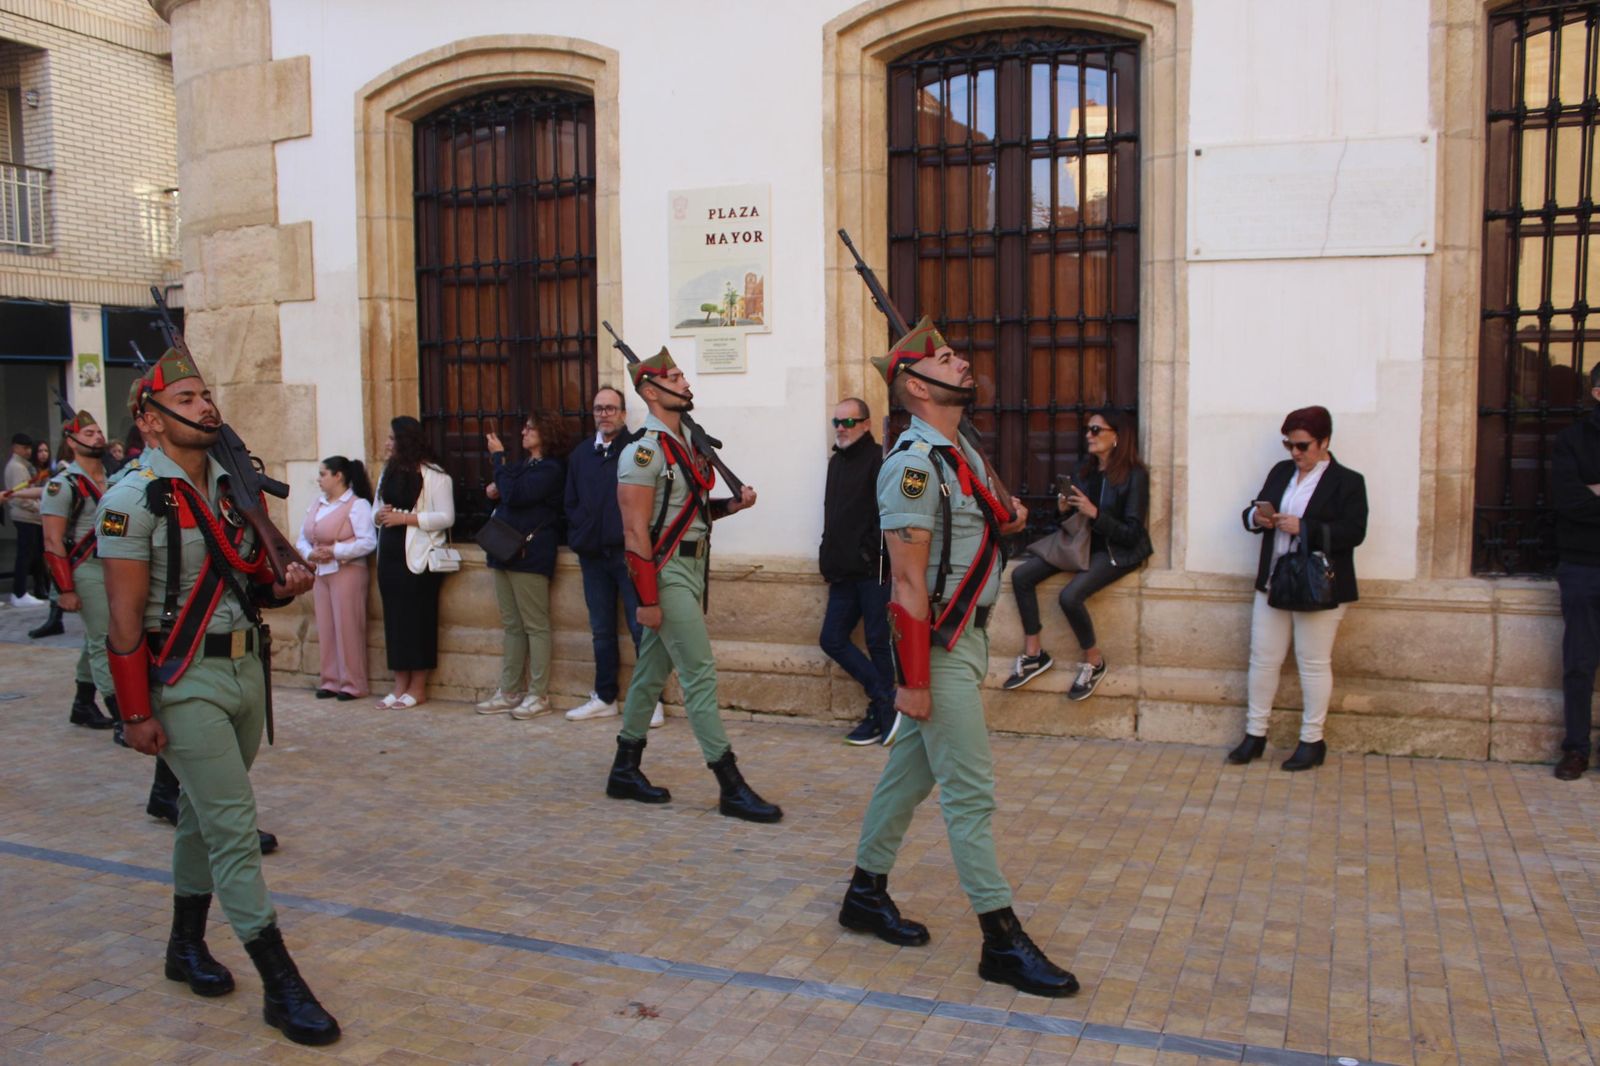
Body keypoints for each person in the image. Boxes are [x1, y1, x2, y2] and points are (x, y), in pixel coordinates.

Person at [98, 347, 338, 1046]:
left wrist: (281, 589)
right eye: (188, 398)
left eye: (207, 395)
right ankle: (281, 985)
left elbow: (246, 585)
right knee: (234, 827)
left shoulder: (232, 489)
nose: (205, 406)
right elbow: (121, 620)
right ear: (149, 419)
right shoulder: (132, 498)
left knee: (202, 822)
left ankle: (183, 947)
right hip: (182, 680)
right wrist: (135, 711)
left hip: (243, 672)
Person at [838, 317, 1079, 998]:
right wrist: (911, 681)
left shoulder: (959, 452)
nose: (962, 361)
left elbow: (992, 519)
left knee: (908, 779)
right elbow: (907, 584)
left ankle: (864, 891)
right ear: (915, 385)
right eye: (945, 359)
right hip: (935, 649)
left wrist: (998, 504)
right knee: (970, 795)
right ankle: (1000, 940)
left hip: (966, 637)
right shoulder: (912, 466)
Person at [604, 347, 781, 822]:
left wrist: (730, 506)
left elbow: (689, 514)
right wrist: (645, 600)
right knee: (700, 673)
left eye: (683, 376)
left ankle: (625, 767)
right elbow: (635, 530)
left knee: (649, 673)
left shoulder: (684, 443)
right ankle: (730, 784)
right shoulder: (643, 450)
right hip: (662, 575)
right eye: (676, 377)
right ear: (650, 391)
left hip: (690, 568)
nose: (686, 383)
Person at [1228, 405, 1368, 772]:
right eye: (1289, 444)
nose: (1295, 452)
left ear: (1324, 442)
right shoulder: (1281, 472)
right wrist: (1256, 517)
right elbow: (1252, 512)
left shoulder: (1348, 481)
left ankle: (1312, 740)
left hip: (1318, 586)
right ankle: (1255, 735)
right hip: (1275, 581)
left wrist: (1304, 527)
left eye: (1303, 445)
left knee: (1313, 663)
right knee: (1263, 660)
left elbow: (1354, 533)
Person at [1003, 410, 1152, 699]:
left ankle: (1093, 661)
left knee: (1070, 596)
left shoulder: (1135, 476)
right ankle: (1034, 654)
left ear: (1117, 437)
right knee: (1022, 576)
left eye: (1096, 430)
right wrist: (1065, 509)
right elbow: (1072, 519)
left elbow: (1132, 533)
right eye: (1088, 430)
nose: (1088, 435)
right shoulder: (1086, 469)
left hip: (1117, 550)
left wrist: (1095, 513)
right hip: (1081, 544)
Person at [563, 386, 664, 726]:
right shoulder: (580, 455)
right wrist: (581, 532)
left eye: (611, 408)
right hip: (593, 556)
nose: (604, 414)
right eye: (598, 409)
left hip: (629, 556)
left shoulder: (638, 451)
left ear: (623, 413)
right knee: (602, 630)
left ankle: (651, 701)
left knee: (641, 629)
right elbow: (570, 502)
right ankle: (605, 696)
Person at [474, 414, 567, 720]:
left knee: (535, 625)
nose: (524, 432)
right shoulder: (524, 465)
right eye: (525, 428)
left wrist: (498, 458)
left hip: (530, 554)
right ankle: (509, 690)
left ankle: (538, 694)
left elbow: (515, 493)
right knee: (512, 625)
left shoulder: (552, 469)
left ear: (546, 432)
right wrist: (495, 487)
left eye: (531, 427)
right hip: (504, 550)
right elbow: (504, 491)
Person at [818, 397, 895, 745]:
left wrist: (869, 552)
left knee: (879, 642)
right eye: (837, 421)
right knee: (831, 639)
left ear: (865, 423)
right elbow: (832, 514)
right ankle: (886, 702)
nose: (840, 428)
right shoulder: (836, 463)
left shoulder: (880, 460)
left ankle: (881, 713)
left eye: (848, 422)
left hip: (872, 569)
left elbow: (886, 517)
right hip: (841, 571)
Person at [36, 411, 114, 723]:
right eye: (89, 433)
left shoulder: (114, 478)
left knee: (97, 638)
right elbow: (52, 541)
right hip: (85, 569)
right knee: (106, 639)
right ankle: (122, 714)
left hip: (114, 568)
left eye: (98, 432)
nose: (97, 437)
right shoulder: (62, 485)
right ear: (72, 442)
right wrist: (65, 589)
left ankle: (82, 703)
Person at [373, 416, 454, 709]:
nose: (387, 444)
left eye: (392, 439)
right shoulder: (388, 472)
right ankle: (398, 685)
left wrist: (406, 519)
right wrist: (381, 516)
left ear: (405, 441)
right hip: (390, 556)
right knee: (394, 620)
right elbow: (375, 511)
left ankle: (417, 687)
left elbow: (446, 517)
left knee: (418, 620)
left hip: (419, 559)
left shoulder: (434, 475)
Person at [1549, 363, 1600, 780]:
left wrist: (1595, 490)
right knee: (1579, 662)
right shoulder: (1573, 440)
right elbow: (1570, 502)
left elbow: (1586, 500)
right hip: (1583, 565)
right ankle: (1576, 749)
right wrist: (1586, 495)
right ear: (1598, 392)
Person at [296, 456, 376, 701]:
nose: (319, 480)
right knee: (327, 627)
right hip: (322, 571)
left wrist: (336, 551)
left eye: (323, 474)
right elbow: (302, 538)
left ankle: (353, 683)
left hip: (348, 571)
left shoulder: (357, 505)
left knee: (348, 627)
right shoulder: (317, 504)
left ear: (338, 476)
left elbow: (368, 541)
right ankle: (330, 680)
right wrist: (310, 553)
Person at [4, 433, 47, 607]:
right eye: (24, 447)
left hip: (31, 517)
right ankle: (19, 592)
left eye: (29, 448)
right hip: (25, 516)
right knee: (25, 555)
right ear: (15, 447)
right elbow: (19, 497)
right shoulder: (17, 467)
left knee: (32, 555)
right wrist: (39, 508)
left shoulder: (23, 466)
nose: (28, 451)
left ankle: (25, 591)